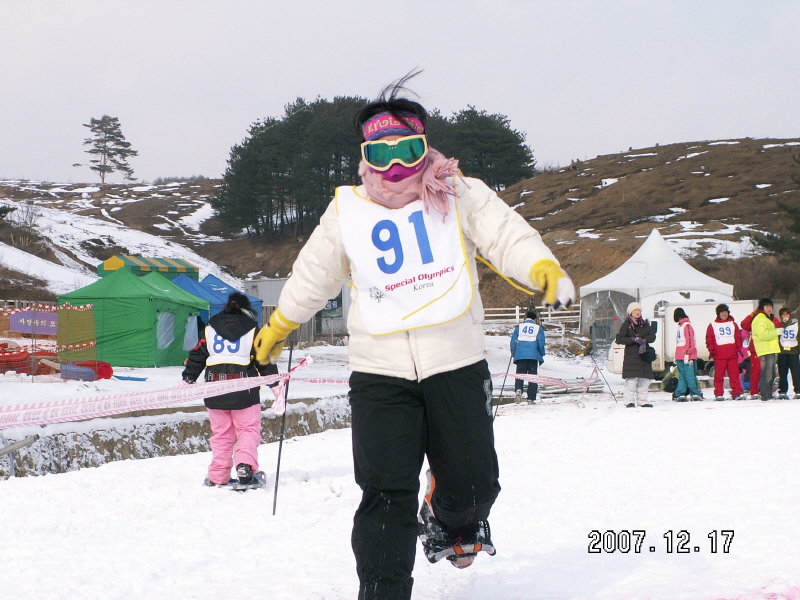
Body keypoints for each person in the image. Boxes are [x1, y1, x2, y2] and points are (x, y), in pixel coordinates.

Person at [252, 75, 575, 600]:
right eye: (382, 151)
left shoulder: (457, 190)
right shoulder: (348, 211)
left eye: (409, 148)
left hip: (457, 363)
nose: (397, 163)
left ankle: (447, 513)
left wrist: (540, 266)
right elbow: (313, 273)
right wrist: (280, 324)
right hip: (380, 374)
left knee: (474, 489)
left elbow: (505, 232)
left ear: (425, 145)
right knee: (384, 496)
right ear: (365, 156)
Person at [182, 292, 277, 486]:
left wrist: (188, 378)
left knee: (221, 435)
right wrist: (275, 384)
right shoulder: (253, 330)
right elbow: (263, 359)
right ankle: (244, 466)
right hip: (244, 391)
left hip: (214, 389)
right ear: (247, 309)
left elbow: (198, 355)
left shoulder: (210, 328)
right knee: (248, 430)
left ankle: (217, 476)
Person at [615, 302, 656, 408]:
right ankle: (629, 401)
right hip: (632, 357)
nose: (638, 312)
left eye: (639, 310)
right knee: (631, 381)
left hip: (644, 356)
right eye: (635, 310)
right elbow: (620, 338)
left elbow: (652, 336)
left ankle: (642, 401)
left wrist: (645, 340)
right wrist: (632, 339)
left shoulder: (645, 324)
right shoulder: (626, 324)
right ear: (631, 312)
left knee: (645, 380)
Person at [705, 303, 743, 401]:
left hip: (732, 354)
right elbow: (710, 339)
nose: (724, 314)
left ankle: (736, 393)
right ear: (718, 314)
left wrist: (738, 348)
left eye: (725, 312)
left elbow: (738, 336)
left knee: (734, 375)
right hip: (719, 354)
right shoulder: (713, 325)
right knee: (719, 375)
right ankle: (718, 394)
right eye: (722, 312)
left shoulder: (733, 324)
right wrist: (712, 350)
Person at [749, 298, 782, 400]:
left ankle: (767, 394)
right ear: (762, 307)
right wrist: (776, 332)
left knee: (770, 373)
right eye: (766, 306)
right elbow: (763, 335)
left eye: (770, 306)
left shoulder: (766, 318)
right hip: (765, 350)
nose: (769, 309)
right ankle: (765, 395)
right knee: (767, 374)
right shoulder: (760, 319)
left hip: (770, 349)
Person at [510, 310, 546, 403]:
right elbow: (540, 343)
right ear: (535, 319)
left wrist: (514, 353)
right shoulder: (538, 328)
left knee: (520, 374)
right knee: (532, 377)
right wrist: (541, 354)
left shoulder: (519, 328)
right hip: (533, 355)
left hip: (520, 355)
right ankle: (531, 397)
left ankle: (518, 389)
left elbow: (513, 342)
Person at [672, 307, 703, 401]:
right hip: (682, 355)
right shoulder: (682, 326)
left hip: (686, 355)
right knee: (684, 375)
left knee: (688, 376)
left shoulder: (686, 326)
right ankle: (683, 393)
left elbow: (689, 341)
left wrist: (688, 352)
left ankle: (691, 393)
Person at [777, 307, 800, 399]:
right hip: (782, 352)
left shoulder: (796, 324)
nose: (785, 316)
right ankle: (782, 390)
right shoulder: (778, 325)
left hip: (793, 351)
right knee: (782, 372)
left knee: (796, 372)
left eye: (786, 314)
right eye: (783, 314)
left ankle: (798, 390)